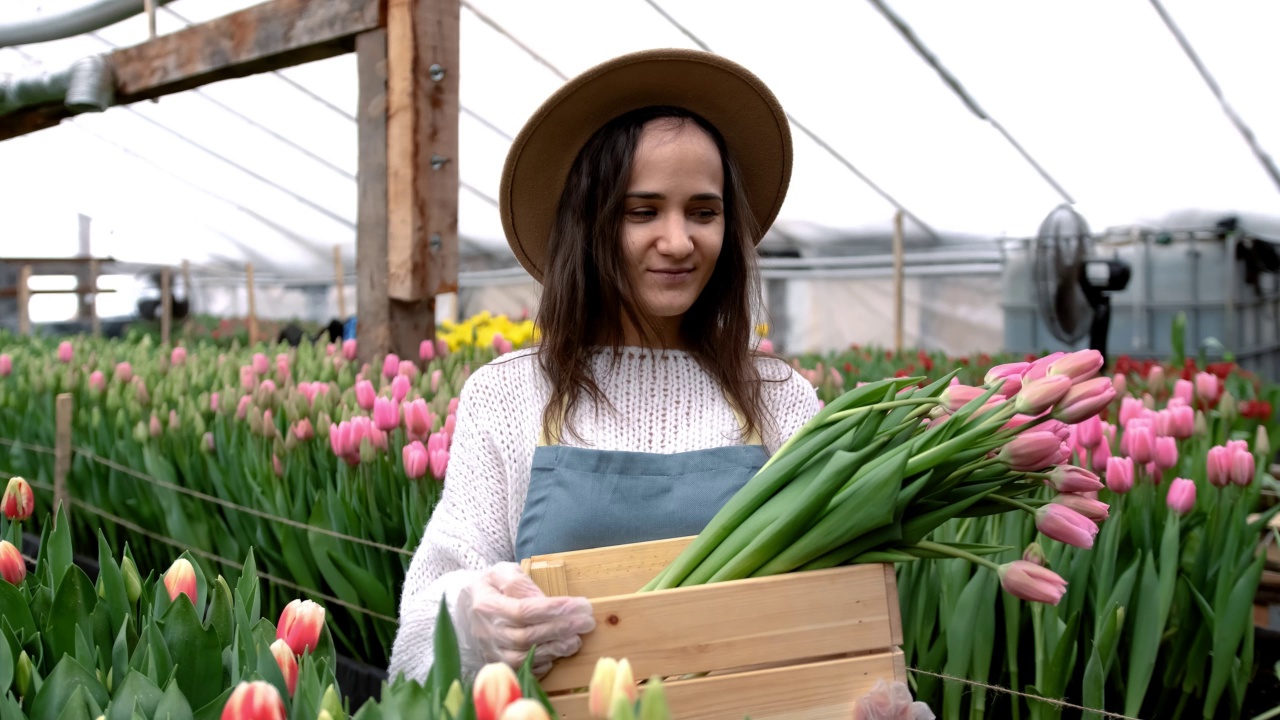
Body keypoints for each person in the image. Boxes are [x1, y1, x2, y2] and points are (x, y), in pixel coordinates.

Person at [387, 48, 821, 682]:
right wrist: (470, 622)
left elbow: (832, 605)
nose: (678, 242)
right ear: (588, 222)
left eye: (704, 211)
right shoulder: (511, 395)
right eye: (640, 211)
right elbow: (420, 625)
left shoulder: (780, 398)